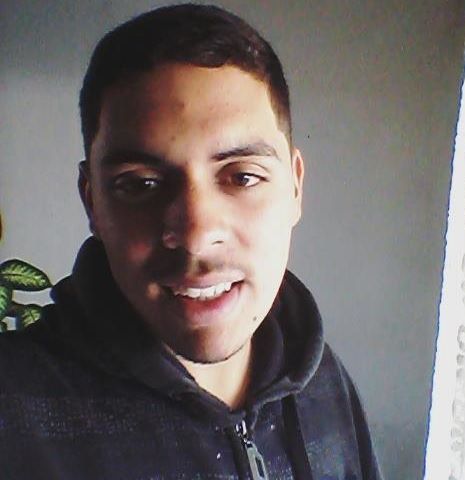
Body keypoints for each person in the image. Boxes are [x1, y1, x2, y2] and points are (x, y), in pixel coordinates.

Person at [0, 4, 383, 479]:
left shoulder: (325, 383)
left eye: (242, 177)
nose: (197, 237)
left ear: (295, 188)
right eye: (141, 184)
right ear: (92, 201)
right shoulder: (13, 417)